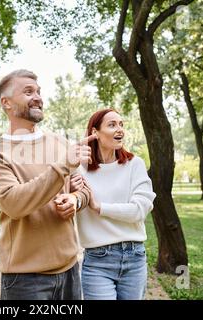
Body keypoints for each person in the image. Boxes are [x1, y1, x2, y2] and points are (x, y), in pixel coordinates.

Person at [0, 69, 97, 300]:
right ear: (7, 103)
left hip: (70, 270)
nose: (37, 97)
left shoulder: (61, 143)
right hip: (26, 280)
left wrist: (76, 200)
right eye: (28, 92)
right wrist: (62, 166)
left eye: (38, 91)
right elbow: (14, 204)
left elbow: (84, 189)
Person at [69, 108, 156, 300]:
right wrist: (70, 181)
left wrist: (99, 207)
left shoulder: (135, 164)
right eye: (112, 125)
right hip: (98, 261)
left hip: (134, 258)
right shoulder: (78, 170)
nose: (120, 130)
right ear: (95, 132)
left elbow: (139, 210)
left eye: (121, 124)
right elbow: (65, 201)